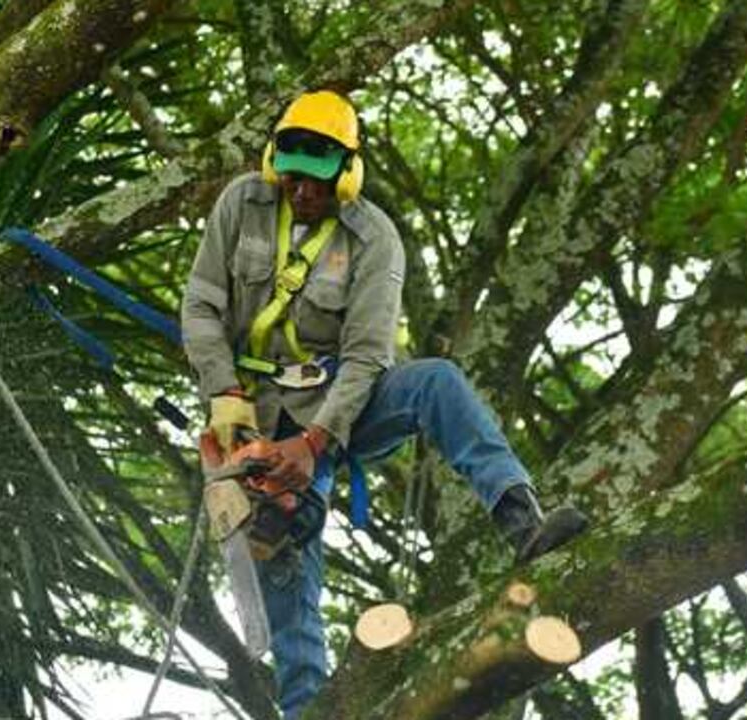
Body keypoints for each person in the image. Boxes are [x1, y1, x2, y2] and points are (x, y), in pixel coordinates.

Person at [181, 89, 588, 718]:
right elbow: (202, 304)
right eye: (292, 179)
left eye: (317, 183)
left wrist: (314, 442)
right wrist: (223, 392)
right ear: (273, 164)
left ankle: (522, 521)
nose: (303, 193)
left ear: (348, 174)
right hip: (251, 412)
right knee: (283, 546)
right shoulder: (242, 204)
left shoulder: (374, 238)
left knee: (437, 382)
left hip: (343, 401)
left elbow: (369, 357)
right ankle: (306, 709)